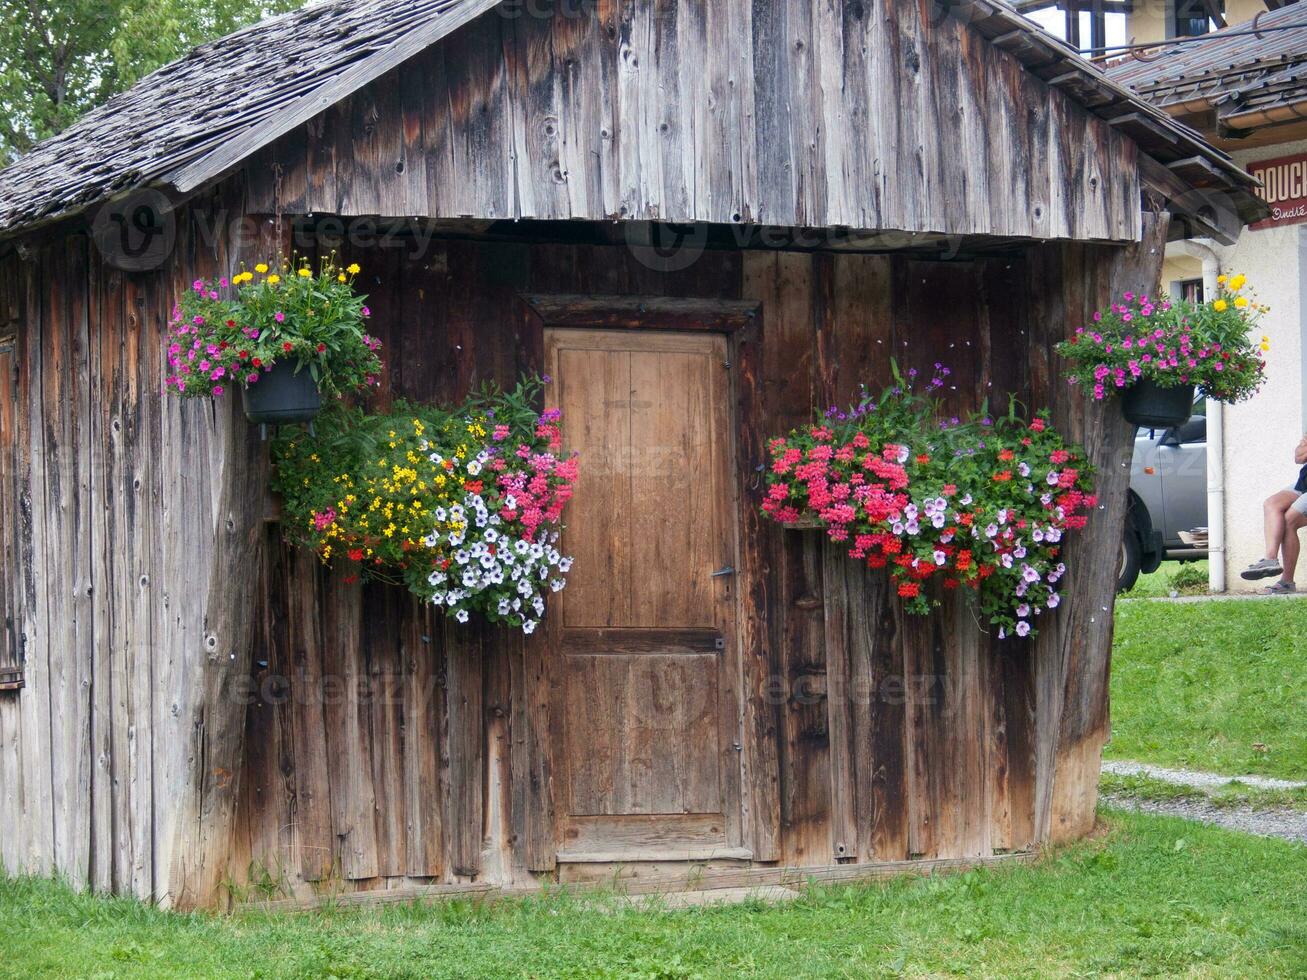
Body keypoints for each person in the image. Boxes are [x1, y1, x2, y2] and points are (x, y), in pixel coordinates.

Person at [1242, 433, 1307, 593]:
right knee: (1271, 504)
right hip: (1304, 482)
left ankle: (1286, 582)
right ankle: (1270, 560)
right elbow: (1298, 457)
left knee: (1289, 519)